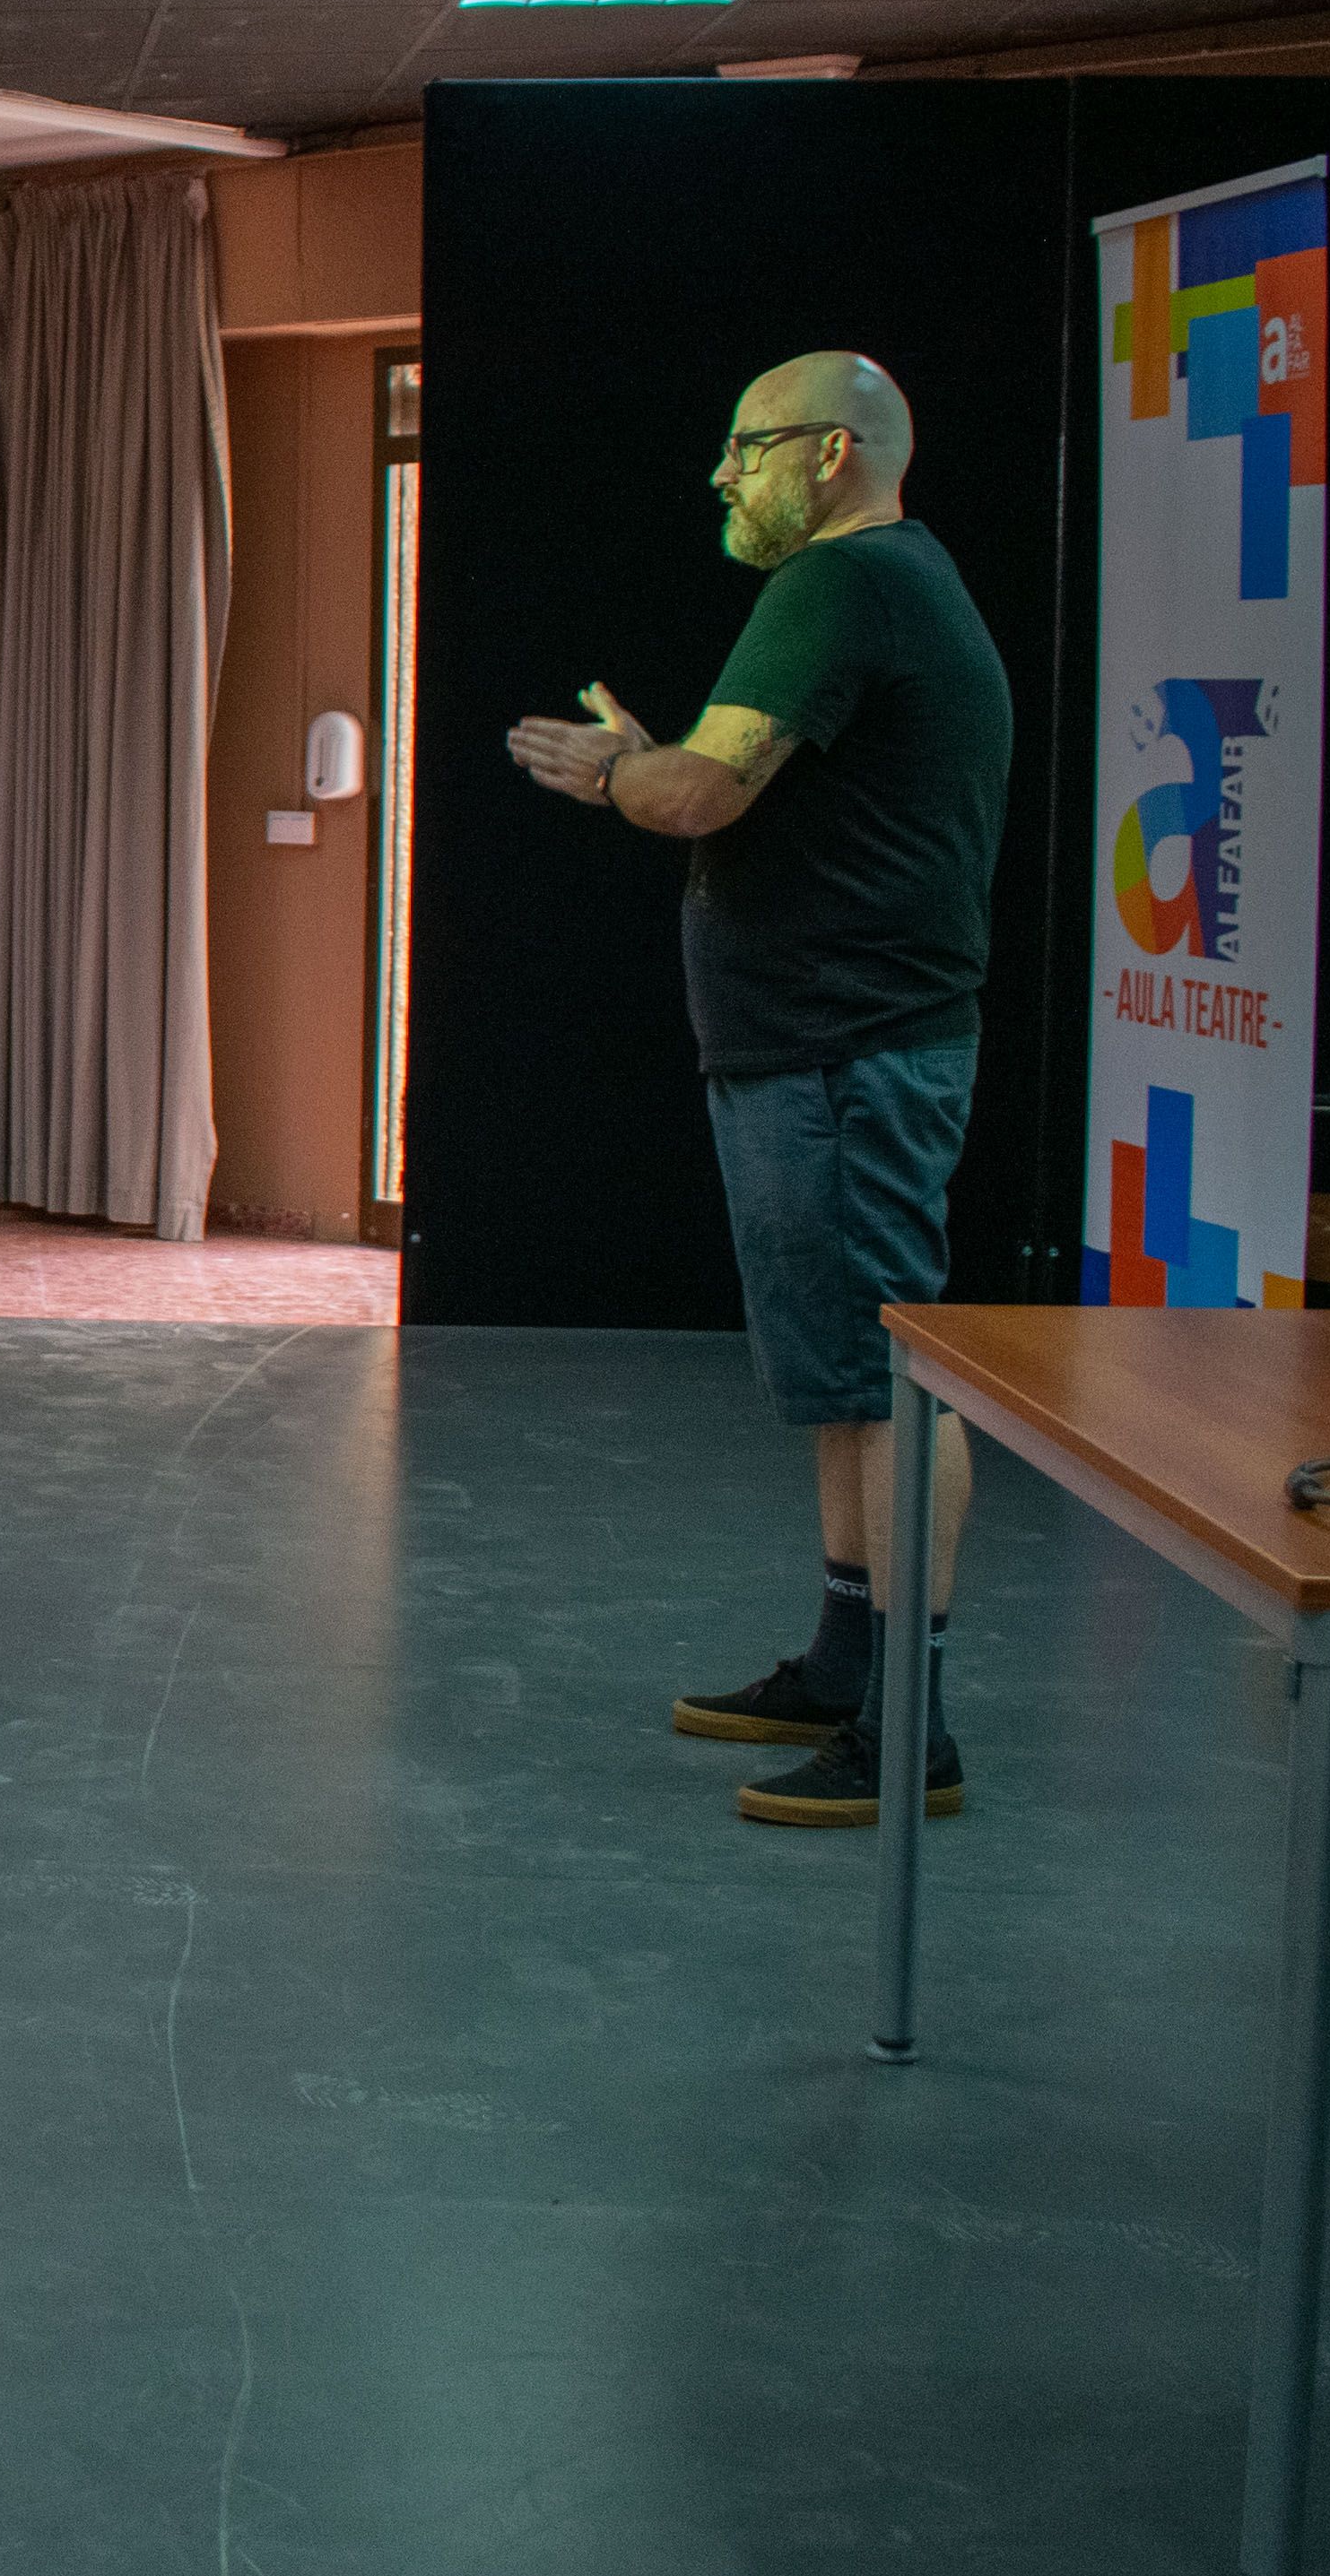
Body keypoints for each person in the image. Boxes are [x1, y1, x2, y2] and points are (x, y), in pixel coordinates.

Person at [503, 349, 1011, 1831]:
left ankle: (907, 1724)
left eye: (751, 445)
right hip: (824, 1048)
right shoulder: (886, 587)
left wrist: (614, 769)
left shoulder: (841, 586)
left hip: (849, 1051)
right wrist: (646, 765)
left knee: (889, 1375)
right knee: (846, 1375)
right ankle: (854, 1662)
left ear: (838, 454)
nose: (723, 472)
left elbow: (703, 791)